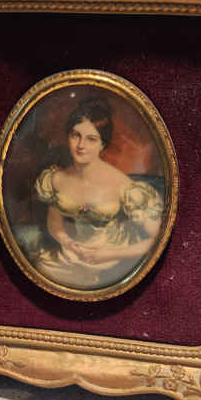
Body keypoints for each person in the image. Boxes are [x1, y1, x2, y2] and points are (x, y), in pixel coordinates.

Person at [32, 97, 163, 290]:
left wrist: (110, 253)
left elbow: (158, 239)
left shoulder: (124, 186)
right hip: (72, 255)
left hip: (113, 259)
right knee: (43, 270)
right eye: (75, 135)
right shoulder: (56, 179)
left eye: (91, 139)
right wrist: (66, 241)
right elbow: (54, 221)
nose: (81, 145)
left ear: (103, 144)